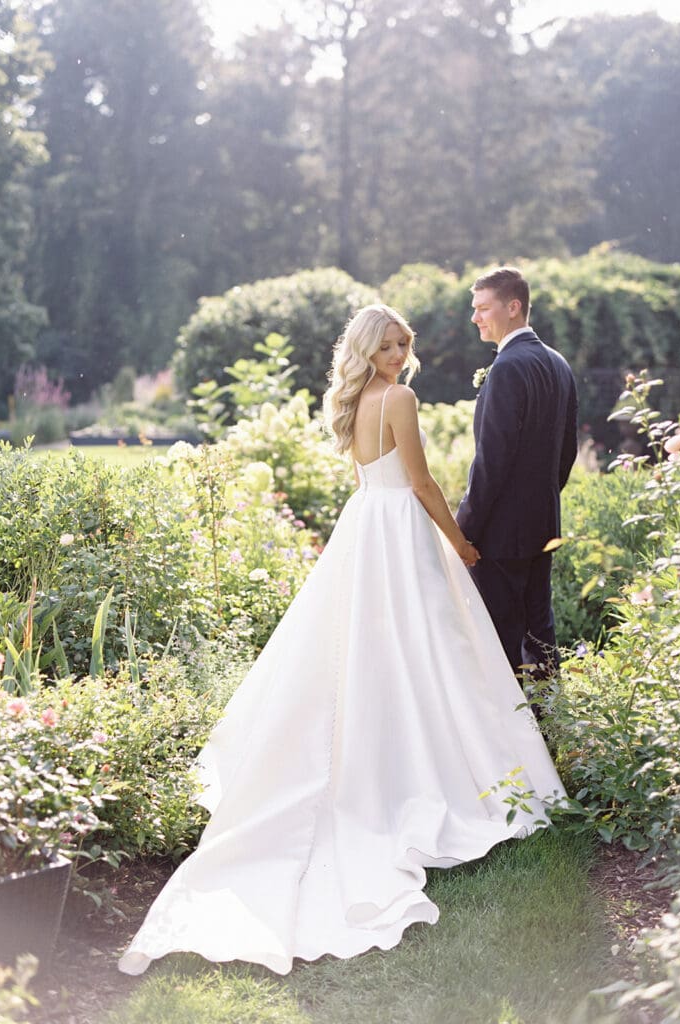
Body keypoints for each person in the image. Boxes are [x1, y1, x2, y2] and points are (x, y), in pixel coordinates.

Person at [118, 303, 564, 978]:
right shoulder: (402, 399)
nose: (396, 353)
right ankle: (431, 768)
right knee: (427, 650)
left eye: (401, 344)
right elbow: (419, 483)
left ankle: (382, 753)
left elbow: (372, 481)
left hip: (364, 529)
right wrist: (461, 543)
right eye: (386, 345)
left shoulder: (355, 402)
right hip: (398, 531)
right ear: (365, 350)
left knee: (371, 651)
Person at [456, 267, 578, 686]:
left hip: (500, 535)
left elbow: (492, 462)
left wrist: (464, 530)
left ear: (513, 307)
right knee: (539, 637)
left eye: (483, 308)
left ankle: (506, 741)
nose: (475, 318)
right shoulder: (558, 363)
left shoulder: (508, 367)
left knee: (498, 642)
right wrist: (539, 502)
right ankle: (549, 732)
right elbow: (567, 452)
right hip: (542, 527)